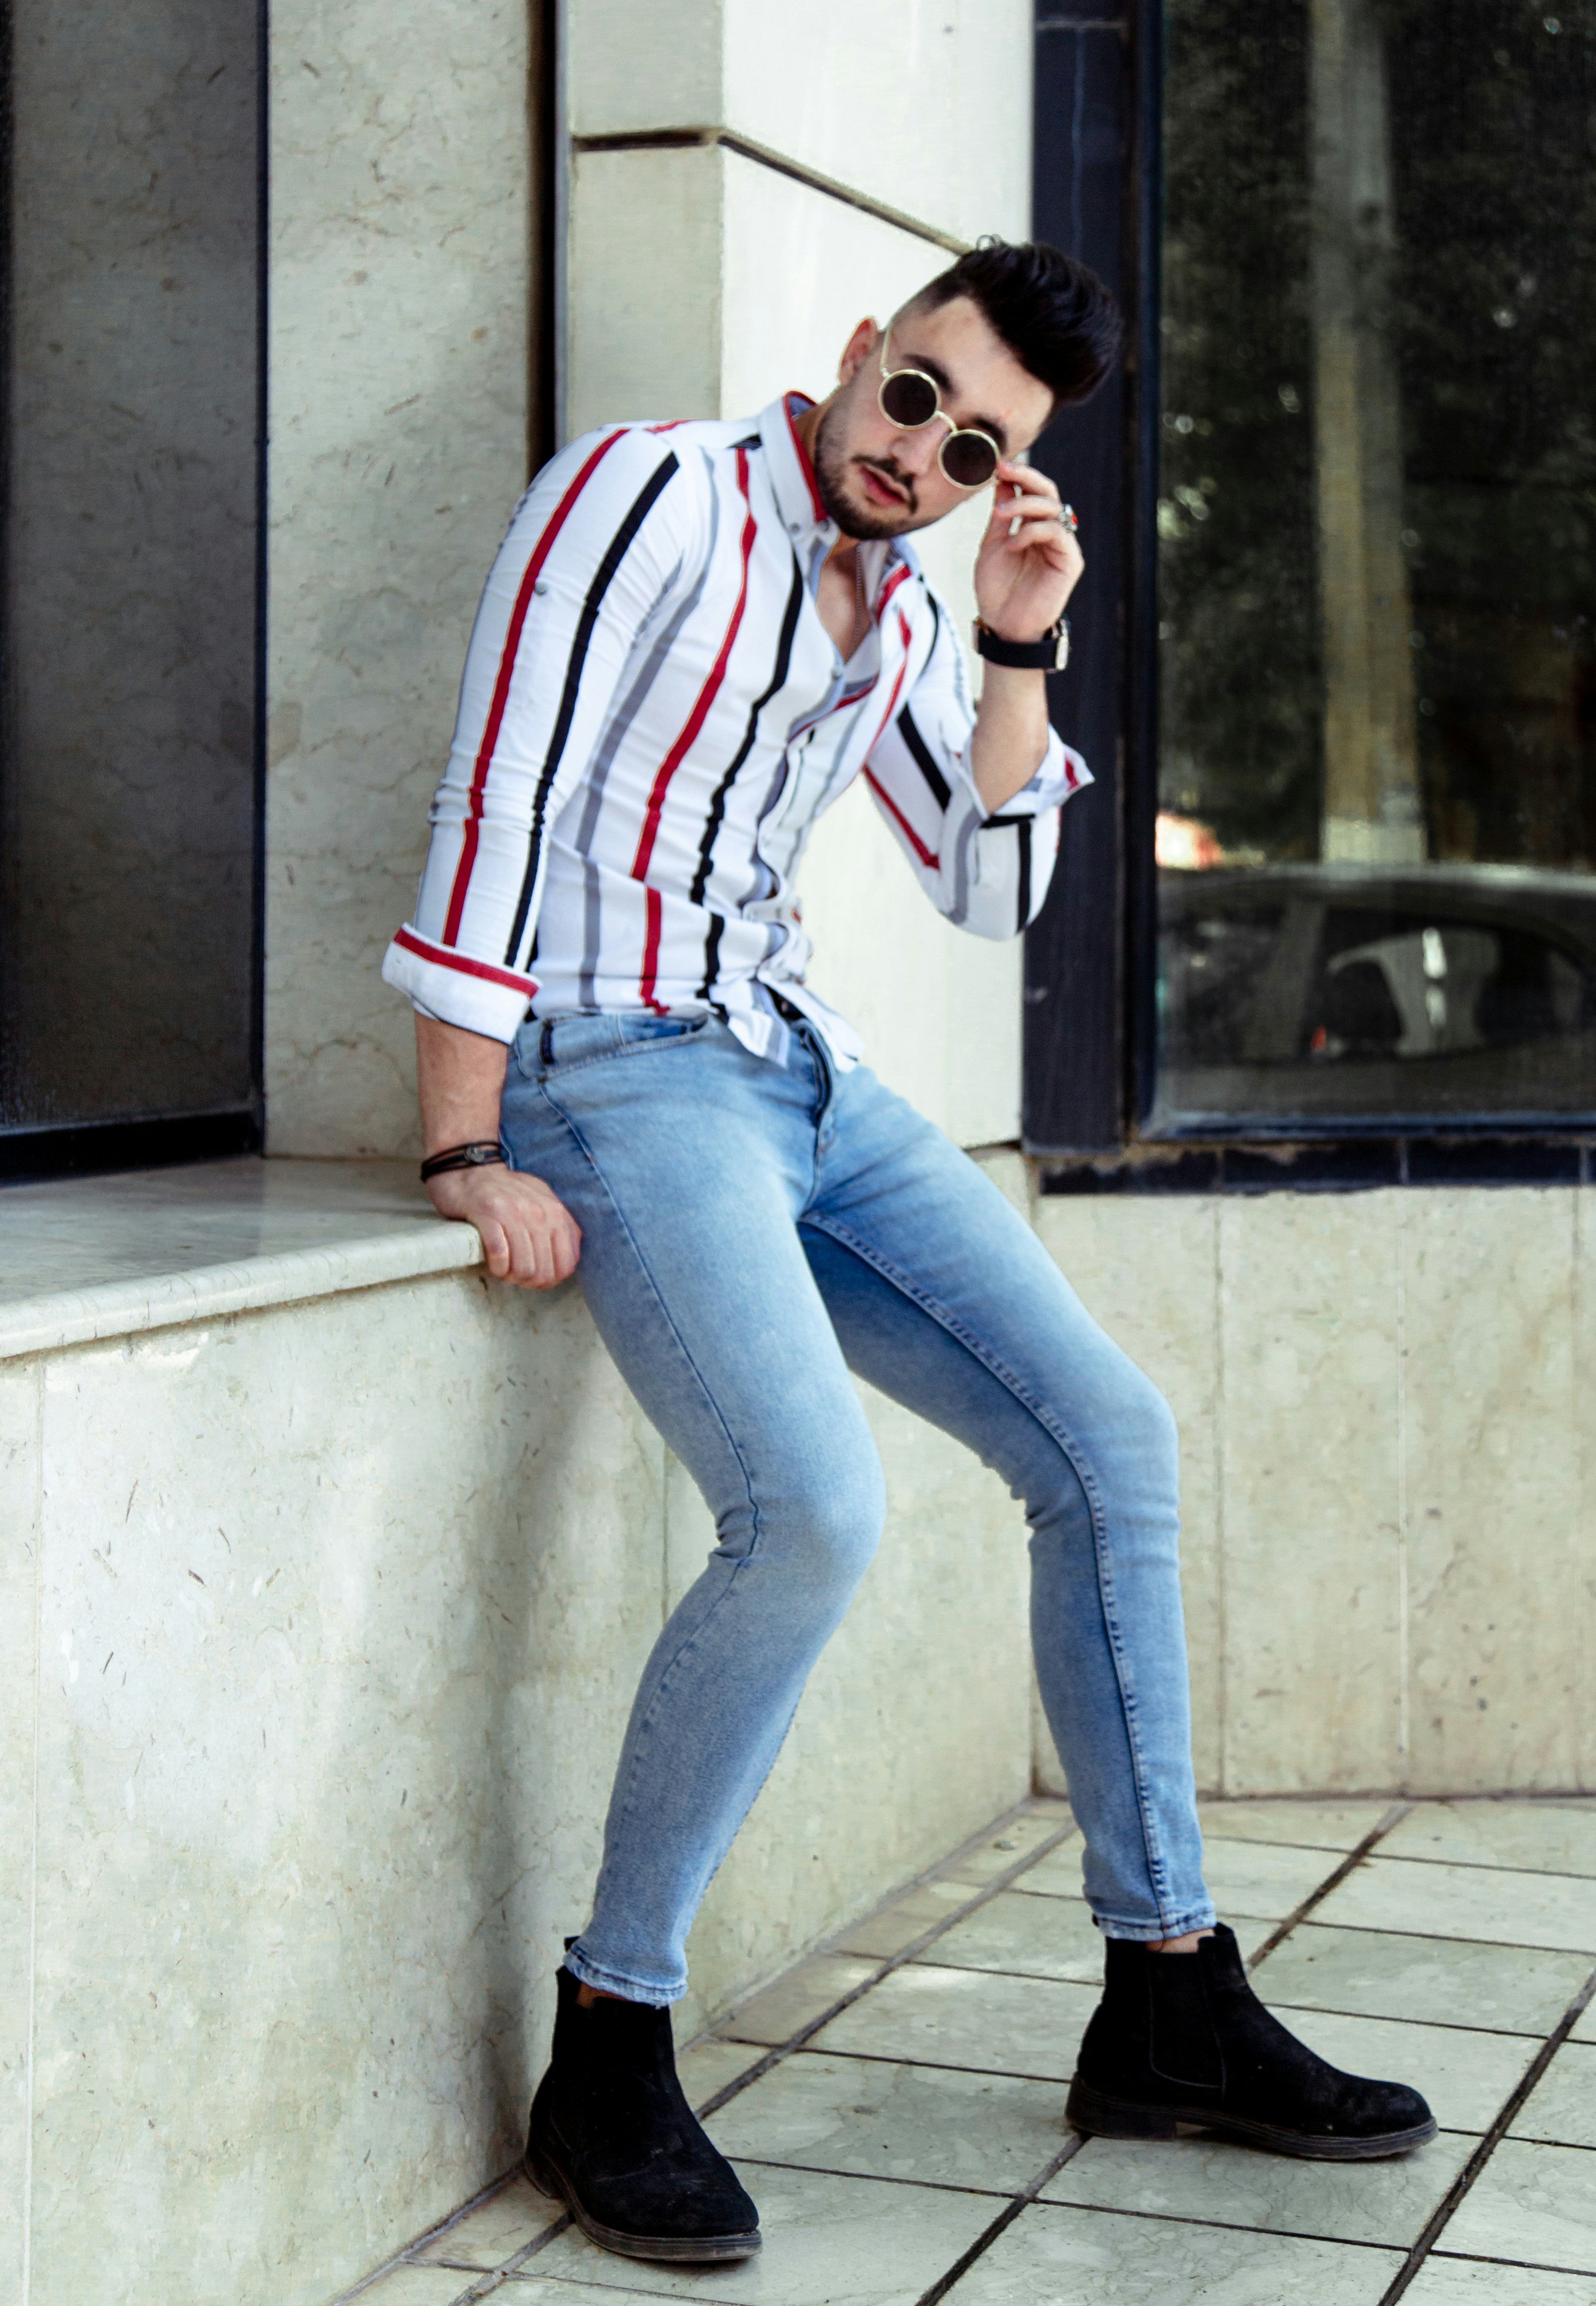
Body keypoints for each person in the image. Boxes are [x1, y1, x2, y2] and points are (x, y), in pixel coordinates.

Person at [382, 241, 1434, 2266]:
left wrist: (1017, 649)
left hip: (793, 1072)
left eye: (979, 448)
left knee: (1110, 1438)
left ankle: (1169, 1993)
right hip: (615, 1070)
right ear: (863, 347)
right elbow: (498, 792)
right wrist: (457, 1132)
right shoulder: (649, 495)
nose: (924, 452)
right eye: (918, 397)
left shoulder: (894, 602)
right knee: (814, 1511)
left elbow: (982, 880)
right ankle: (612, 2030)